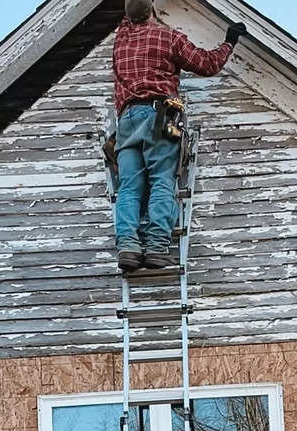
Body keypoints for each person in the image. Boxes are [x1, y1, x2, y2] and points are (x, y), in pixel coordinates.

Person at [112, 0, 246, 271]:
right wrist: (229, 42)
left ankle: (128, 246)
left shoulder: (120, 41)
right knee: (161, 180)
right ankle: (157, 248)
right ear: (151, 9)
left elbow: (131, 17)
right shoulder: (167, 37)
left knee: (129, 187)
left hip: (126, 120)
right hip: (158, 116)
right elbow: (207, 64)